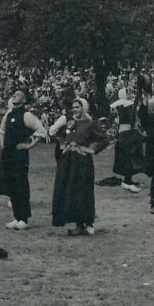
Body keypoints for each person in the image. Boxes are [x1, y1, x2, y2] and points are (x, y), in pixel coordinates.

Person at [51, 98, 109, 236]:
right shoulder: (71, 123)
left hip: (82, 162)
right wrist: (63, 145)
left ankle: (88, 223)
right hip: (68, 162)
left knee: (84, 190)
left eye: (77, 107)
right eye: (73, 107)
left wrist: (90, 150)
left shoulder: (90, 124)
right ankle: (78, 224)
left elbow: (104, 139)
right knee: (71, 192)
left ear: (84, 108)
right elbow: (58, 135)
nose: (75, 109)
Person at [0, 88, 47, 230]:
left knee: (21, 184)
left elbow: (41, 131)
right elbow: (1, 132)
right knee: (11, 185)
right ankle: (16, 216)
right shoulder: (8, 114)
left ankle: (24, 218)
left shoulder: (27, 115)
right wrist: (3, 146)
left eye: (18, 95)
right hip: (8, 154)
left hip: (19, 155)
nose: (14, 96)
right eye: (14, 94)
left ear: (24, 100)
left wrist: (29, 146)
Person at [110, 88, 144, 193]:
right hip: (128, 133)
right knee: (130, 157)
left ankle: (128, 180)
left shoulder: (117, 106)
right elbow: (132, 119)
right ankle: (128, 182)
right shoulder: (129, 106)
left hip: (122, 132)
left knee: (126, 158)